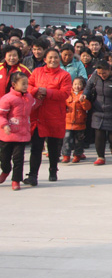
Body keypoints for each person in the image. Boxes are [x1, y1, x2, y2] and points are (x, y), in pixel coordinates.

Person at [26, 48, 72, 185]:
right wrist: (36, 91)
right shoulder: (37, 72)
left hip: (54, 115)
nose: (53, 60)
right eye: (50, 57)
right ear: (45, 59)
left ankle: (53, 170)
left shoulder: (64, 75)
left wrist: (47, 92)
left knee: (53, 146)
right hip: (38, 115)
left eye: (56, 57)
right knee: (36, 146)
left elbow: (64, 94)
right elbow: (28, 86)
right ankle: (33, 175)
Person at [84, 60, 112, 166]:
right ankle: (100, 157)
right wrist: (85, 95)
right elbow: (88, 87)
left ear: (109, 70)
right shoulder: (95, 76)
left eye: (103, 73)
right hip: (98, 110)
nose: (101, 75)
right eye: (99, 73)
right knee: (99, 135)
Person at [0, 73, 38, 191]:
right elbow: (1, 114)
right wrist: (4, 125)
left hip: (22, 135)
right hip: (7, 135)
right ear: (14, 84)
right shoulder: (7, 98)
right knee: (4, 158)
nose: (26, 86)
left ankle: (16, 180)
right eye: (23, 84)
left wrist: (40, 98)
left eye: (27, 84)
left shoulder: (29, 98)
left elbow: (34, 106)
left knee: (19, 159)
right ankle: (6, 171)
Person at [61, 77, 91, 163]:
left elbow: (87, 107)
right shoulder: (68, 94)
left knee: (79, 141)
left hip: (80, 123)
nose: (77, 86)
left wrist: (83, 101)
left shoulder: (84, 95)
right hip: (68, 123)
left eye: (79, 84)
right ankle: (66, 156)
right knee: (66, 140)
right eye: (75, 84)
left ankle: (77, 155)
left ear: (83, 86)